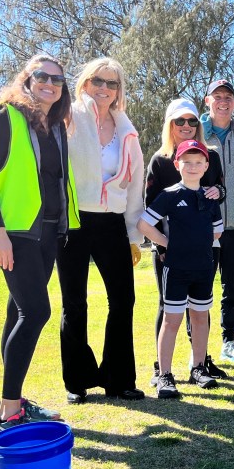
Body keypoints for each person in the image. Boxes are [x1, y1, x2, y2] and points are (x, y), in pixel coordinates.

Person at [0, 54, 77, 436]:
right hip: (15, 234)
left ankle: (14, 400)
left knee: (18, 313)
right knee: (36, 312)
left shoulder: (54, 125)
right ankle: (8, 412)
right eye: (42, 76)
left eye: (57, 80)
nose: (50, 84)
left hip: (46, 233)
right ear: (26, 79)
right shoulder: (5, 115)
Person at [57, 57, 145, 405]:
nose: (104, 89)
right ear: (85, 83)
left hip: (112, 223)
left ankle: (118, 379)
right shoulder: (68, 119)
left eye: (112, 84)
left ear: (119, 90)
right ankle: (77, 381)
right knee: (74, 303)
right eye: (98, 81)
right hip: (74, 221)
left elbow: (136, 184)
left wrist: (134, 236)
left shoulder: (127, 130)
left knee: (123, 300)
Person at [144, 98, 226, 397]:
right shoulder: (159, 163)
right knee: (169, 313)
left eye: (192, 121)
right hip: (171, 259)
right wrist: (166, 244)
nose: (187, 126)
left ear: (205, 164)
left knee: (200, 314)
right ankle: (163, 372)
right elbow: (148, 214)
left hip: (202, 261)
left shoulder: (211, 160)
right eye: (180, 121)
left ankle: (199, 366)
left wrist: (203, 241)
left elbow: (218, 202)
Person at [200, 78, 234, 363]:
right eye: (217, 96)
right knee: (200, 287)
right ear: (207, 100)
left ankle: (229, 341)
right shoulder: (194, 133)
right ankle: (198, 348)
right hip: (201, 227)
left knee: (232, 286)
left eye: (228, 97)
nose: (223, 101)